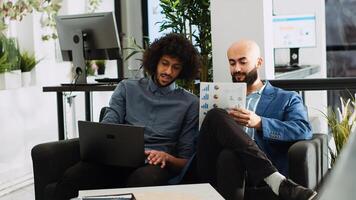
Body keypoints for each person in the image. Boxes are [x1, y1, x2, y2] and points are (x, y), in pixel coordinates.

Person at [53, 33, 201, 200]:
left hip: (154, 166)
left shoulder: (190, 103)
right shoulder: (127, 88)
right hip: (118, 160)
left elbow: (185, 160)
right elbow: (108, 126)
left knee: (143, 181)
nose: (168, 71)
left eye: (175, 67)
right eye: (164, 64)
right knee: (74, 176)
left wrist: (167, 157)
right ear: (155, 61)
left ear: (183, 70)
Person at [196, 39, 317, 200]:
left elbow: (303, 130)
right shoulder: (219, 96)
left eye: (242, 62)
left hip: (252, 176)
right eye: (232, 63)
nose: (236, 69)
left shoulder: (287, 98)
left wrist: (260, 123)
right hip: (215, 170)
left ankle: (268, 180)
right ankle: (276, 181)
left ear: (259, 62)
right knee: (215, 115)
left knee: (229, 155)